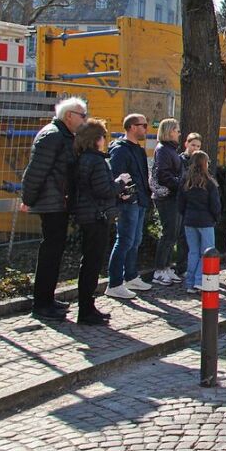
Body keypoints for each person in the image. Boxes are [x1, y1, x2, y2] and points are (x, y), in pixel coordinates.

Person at [21, 96, 87, 321]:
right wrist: (28, 199)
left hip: (59, 201)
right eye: (82, 115)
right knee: (50, 252)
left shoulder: (63, 135)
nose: (84, 120)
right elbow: (36, 170)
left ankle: (47, 298)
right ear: (69, 116)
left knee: (55, 251)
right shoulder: (53, 135)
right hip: (52, 203)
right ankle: (41, 303)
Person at [71, 117, 129, 325]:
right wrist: (119, 184)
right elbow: (102, 189)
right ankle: (86, 309)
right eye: (103, 136)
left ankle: (87, 306)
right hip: (96, 215)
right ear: (96, 139)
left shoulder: (84, 158)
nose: (105, 140)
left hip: (90, 214)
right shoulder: (94, 160)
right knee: (92, 263)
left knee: (90, 262)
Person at [106, 114, 153, 300]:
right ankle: (114, 283)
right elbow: (118, 176)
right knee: (124, 240)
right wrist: (128, 196)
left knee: (135, 240)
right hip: (128, 202)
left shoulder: (138, 149)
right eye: (144, 125)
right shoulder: (120, 149)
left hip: (140, 200)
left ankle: (131, 276)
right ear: (132, 127)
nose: (146, 129)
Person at [178, 150, 221, 292]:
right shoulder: (209, 182)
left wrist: (185, 215)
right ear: (205, 163)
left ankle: (190, 283)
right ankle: (198, 280)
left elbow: (180, 203)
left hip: (189, 220)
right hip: (206, 221)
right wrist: (216, 217)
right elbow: (215, 205)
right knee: (207, 252)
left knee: (193, 252)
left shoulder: (185, 180)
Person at [150, 118, 184, 286]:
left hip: (172, 196)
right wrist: (180, 184)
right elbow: (164, 175)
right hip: (167, 197)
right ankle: (159, 269)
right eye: (176, 130)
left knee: (173, 233)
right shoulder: (163, 150)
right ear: (169, 131)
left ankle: (167, 266)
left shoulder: (169, 150)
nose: (179, 133)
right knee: (169, 233)